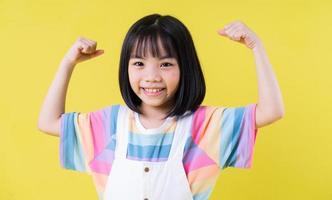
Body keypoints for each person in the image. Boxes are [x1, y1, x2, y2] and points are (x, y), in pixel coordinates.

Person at [37, 13, 284, 200]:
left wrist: (256, 47)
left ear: (185, 68)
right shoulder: (110, 124)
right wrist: (68, 62)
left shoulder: (204, 126)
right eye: (139, 63)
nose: (152, 76)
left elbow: (271, 110)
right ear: (126, 67)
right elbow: (48, 122)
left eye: (165, 64)